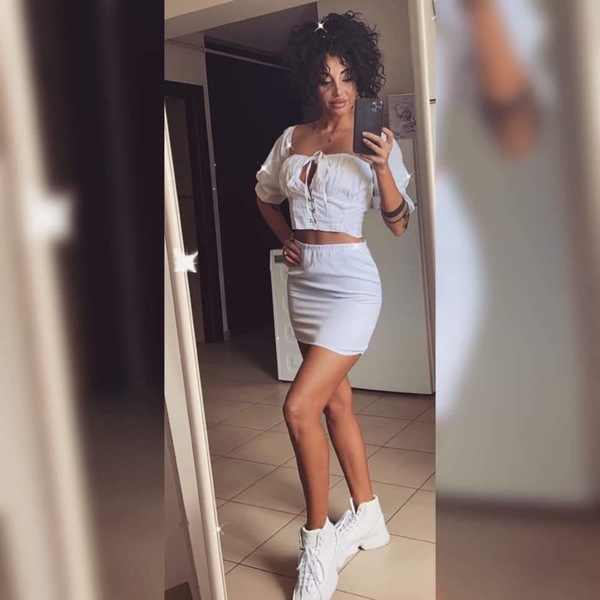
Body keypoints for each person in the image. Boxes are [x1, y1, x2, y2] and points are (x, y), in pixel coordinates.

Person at [255, 12, 415, 600]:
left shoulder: (377, 142)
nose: (339, 91)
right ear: (312, 83)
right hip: (305, 285)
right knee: (335, 402)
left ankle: (317, 541)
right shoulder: (291, 138)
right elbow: (265, 194)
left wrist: (383, 169)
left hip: (351, 284)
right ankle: (368, 514)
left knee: (299, 407)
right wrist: (285, 238)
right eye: (326, 80)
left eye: (347, 78)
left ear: (360, 78)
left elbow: (398, 223)